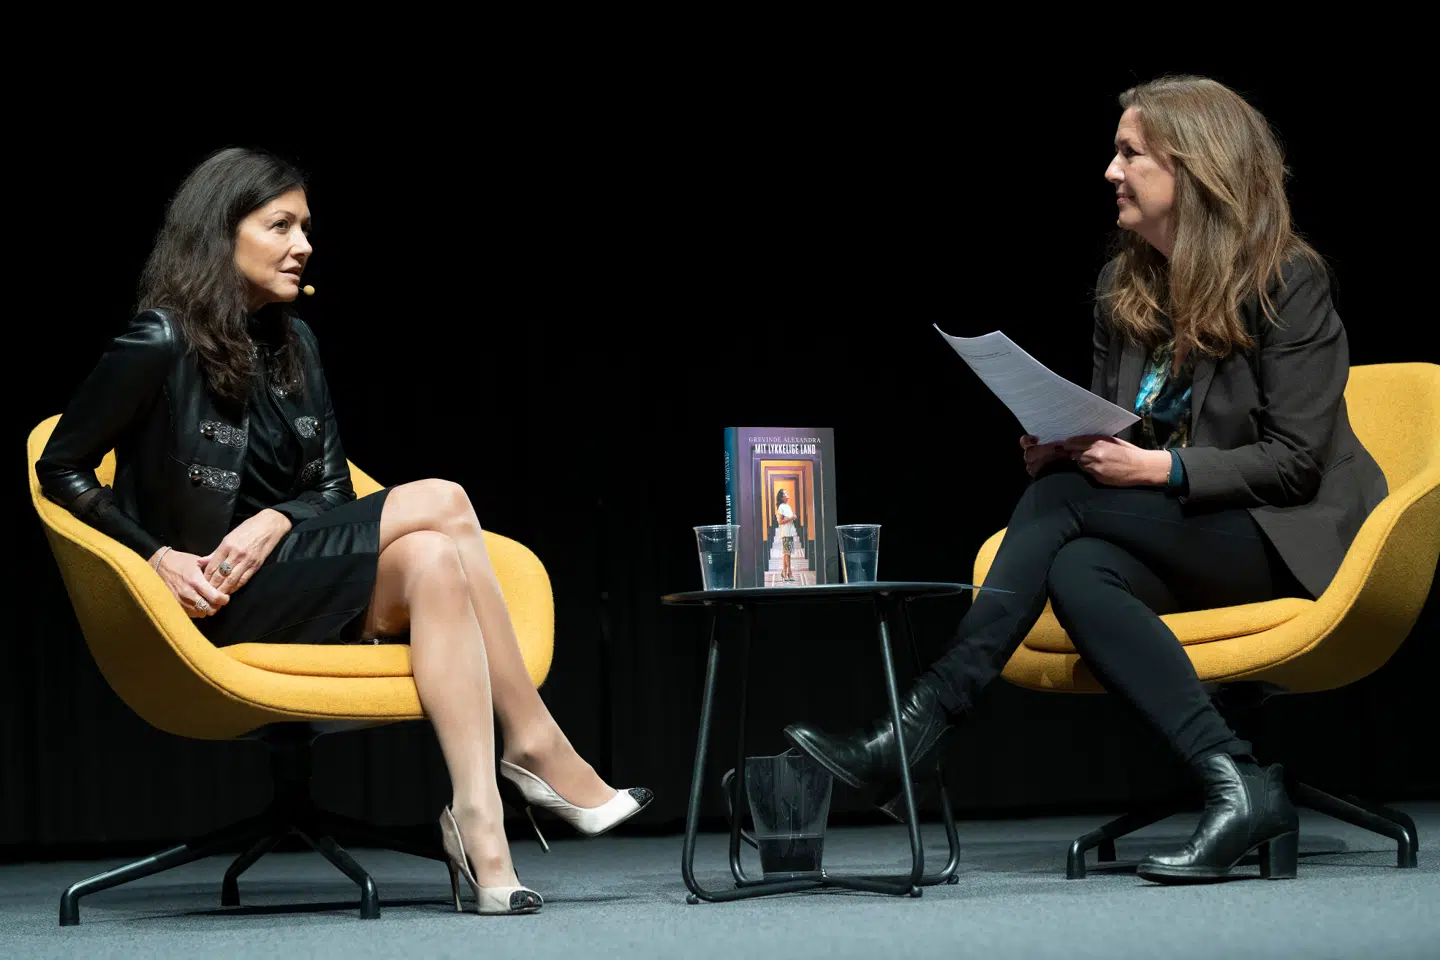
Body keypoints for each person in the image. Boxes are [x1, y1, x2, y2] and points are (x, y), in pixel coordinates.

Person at [783, 76, 1387, 884]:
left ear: (1194, 167)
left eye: (1131, 153)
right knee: (1076, 561)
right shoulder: (1125, 287)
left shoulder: (1287, 279)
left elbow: (1295, 461)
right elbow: (1118, 430)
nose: (1111, 170)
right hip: (1180, 529)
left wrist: (1154, 467)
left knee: (1064, 505)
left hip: (1284, 534)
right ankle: (1235, 781)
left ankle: (918, 729)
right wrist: (1069, 446)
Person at [35, 147, 652, 916]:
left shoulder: (296, 345)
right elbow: (59, 467)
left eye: (306, 228)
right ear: (220, 231)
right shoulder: (160, 340)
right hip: (212, 598)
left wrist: (273, 519)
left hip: (295, 575)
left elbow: (329, 490)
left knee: (434, 555)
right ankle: (533, 744)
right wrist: (156, 557)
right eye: (281, 226)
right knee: (446, 500)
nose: (303, 245)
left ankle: (480, 823)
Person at [775, 489, 798, 582]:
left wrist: (793, 517)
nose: (787, 494)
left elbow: (790, 518)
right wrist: (791, 518)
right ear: (782, 497)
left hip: (790, 532)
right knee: (787, 553)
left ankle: (784, 572)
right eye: (785, 493)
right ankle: (790, 572)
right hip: (785, 533)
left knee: (787, 553)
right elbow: (780, 521)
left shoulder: (788, 506)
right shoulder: (781, 507)